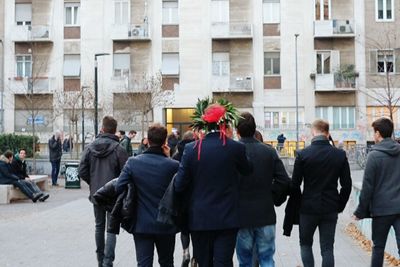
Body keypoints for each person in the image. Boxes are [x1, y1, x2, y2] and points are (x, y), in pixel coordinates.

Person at [174, 99, 252, 267]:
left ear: (203, 123)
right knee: (224, 262)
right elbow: (247, 171)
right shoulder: (235, 148)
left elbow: (179, 184)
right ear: (225, 122)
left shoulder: (191, 149)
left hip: (200, 218)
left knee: (204, 262)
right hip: (228, 217)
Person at [116, 123, 179, 267]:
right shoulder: (173, 165)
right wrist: (169, 157)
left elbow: (119, 187)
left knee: (144, 263)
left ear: (148, 141)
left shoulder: (133, 163)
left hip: (142, 223)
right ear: (165, 142)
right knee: (167, 262)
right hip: (166, 223)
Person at [291, 119, 352, 267]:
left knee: (305, 244)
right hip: (330, 207)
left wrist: (298, 204)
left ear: (313, 132)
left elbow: (295, 184)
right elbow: (347, 185)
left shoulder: (303, 154)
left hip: (308, 207)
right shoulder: (339, 155)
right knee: (327, 248)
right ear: (327, 133)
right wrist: (340, 205)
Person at [236, 112, 290, 266]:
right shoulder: (269, 151)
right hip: (265, 213)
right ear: (254, 130)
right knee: (267, 259)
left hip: (241, 215)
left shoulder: (233, 151)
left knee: (245, 261)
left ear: (237, 131)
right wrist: (273, 196)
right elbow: (283, 180)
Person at [78, 116, 129, 267]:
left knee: (99, 226)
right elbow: (126, 173)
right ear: (115, 130)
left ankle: (100, 260)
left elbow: (82, 170)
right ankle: (108, 261)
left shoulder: (90, 148)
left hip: (97, 193)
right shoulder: (119, 149)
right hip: (113, 194)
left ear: (102, 128)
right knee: (111, 228)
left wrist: (93, 183)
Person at [353, 118, 400, 267]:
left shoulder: (374, 156)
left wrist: (360, 211)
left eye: (373, 132)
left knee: (378, 248)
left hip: (381, 211)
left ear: (378, 134)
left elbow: (368, 187)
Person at [172, 130, 195, 266]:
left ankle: (186, 251)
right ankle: (196, 256)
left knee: (184, 229)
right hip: (196, 197)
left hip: (182, 198)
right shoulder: (197, 153)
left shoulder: (176, 155)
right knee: (196, 229)